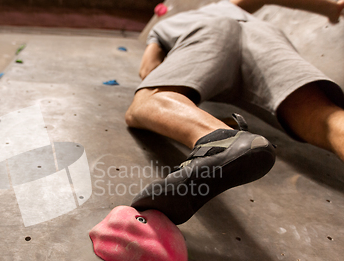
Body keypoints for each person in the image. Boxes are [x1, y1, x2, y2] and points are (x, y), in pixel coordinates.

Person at [126, 0, 344, 224]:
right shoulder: (231, 6)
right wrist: (330, 8)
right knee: (327, 118)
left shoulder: (163, 28)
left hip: (213, 32)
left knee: (147, 100)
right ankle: (223, 140)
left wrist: (188, 111)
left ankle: (219, 140)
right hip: (268, 38)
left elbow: (149, 70)